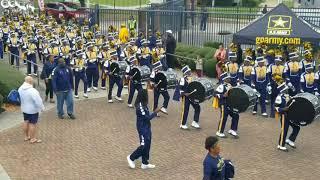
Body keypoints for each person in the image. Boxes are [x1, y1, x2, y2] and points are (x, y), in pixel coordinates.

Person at [127, 89, 164, 169]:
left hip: (147, 127)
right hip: (142, 129)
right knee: (143, 145)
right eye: (147, 94)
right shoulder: (140, 106)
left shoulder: (144, 104)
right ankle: (131, 158)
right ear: (143, 96)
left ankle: (145, 163)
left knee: (148, 144)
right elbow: (147, 118)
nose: (148, 96)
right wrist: (155, 112)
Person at [275, 82, 301, 151]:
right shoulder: (279, 97)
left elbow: (295, 94)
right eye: (286, 89)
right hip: (284, 116)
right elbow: (275, 108)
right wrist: (283, 109)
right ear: (282, 90)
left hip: (290, 116)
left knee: (297, 127)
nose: (287, 89)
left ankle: (290, 140)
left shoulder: (288, 95)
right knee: (284, 130)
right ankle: (280, 145)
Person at [18, 76, 45, 144]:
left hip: (24, 108)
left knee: (26, 121)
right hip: (32, 110)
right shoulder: (32, 90)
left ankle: (26, 136)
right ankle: (33, 138)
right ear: (30, 82)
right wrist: (42, 108)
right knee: (32, 123)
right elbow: (38, 101)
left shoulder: (20, 88)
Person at [174, 65, 201, 129]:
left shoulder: (192, 78)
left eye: (190, 71)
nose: (190, 72)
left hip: (193, 96)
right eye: (189, 71)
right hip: (186, 97)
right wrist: (185, 93)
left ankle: (195, 121)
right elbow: (179, 89)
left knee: (197, 107)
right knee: (185, 110)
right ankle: (182, 124)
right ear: (186, 72)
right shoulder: (182, 79)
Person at [215, 72, 239, 138]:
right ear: (224, 79)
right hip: (223, 104)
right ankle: (219, 132)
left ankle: (232, 129)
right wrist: (223, 95)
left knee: (236, 115)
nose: (229, 79)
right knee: (224, 117)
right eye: (228, 78)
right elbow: (215, 94)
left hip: (230, 104)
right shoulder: (221, 86)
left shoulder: (229, 85)